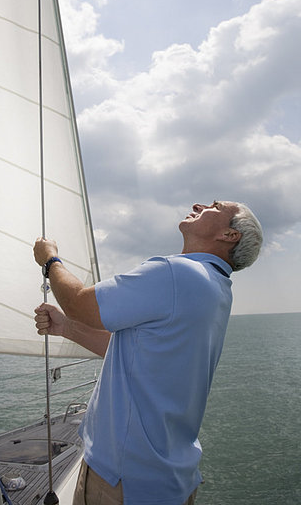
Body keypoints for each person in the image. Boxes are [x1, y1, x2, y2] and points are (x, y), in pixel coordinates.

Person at [33, 200, 263, 505]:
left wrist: (50, 259)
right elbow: (136, 354)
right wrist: (67, 328)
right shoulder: (216, 288)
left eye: (215, 205)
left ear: (229, 235)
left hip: (122, 482)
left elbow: (78, 303)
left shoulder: (178, 274)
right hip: (166, 482)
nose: (199, 204)